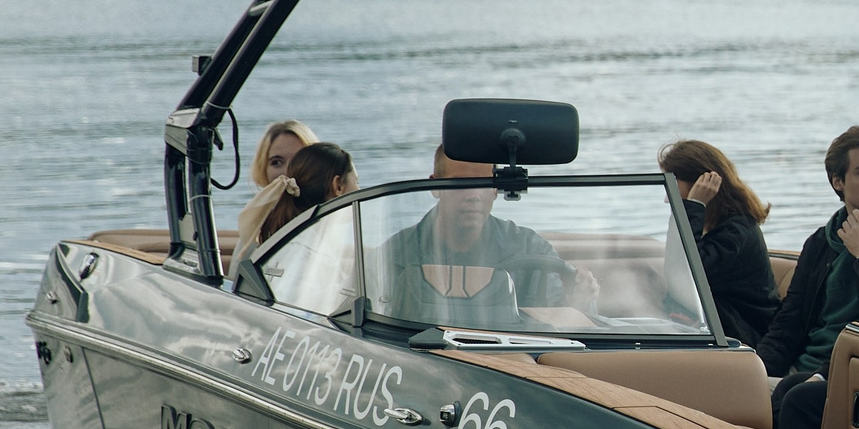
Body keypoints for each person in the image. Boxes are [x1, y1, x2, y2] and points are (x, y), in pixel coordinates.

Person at [757, 124, 859, 429]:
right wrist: (752, 370)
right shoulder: (820, 242)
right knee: (735, 393)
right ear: (838, 181)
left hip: (855, 369)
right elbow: (790, 321)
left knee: (793, 399)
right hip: (805, 365)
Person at [377, 147, 597, 327]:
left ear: (495, 189)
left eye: (484, 183)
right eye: (462, 183)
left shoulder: (532, 249)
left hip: (513, 368)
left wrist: (579, 299)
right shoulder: (395, 255)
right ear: (435, 186)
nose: (474, 195)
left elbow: (565, 331)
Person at [659, 138, 783, 347]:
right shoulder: (713, 225)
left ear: (702, 184)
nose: (666, 198)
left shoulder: (737, 230)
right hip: (720, 327)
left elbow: (690, 272)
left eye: (671, 186)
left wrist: (694, 205)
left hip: (747, 337)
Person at [243, 141, 358, 251]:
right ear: (338, 186)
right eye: (357, 182)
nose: (358, 190)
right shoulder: (314, 253)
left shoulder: (290, 238)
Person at [236, 119, 318, 245]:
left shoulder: (332, 215)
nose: (288, 172)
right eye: (277, 162)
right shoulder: (255, 224)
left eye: (299, 160)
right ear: (263, 168)